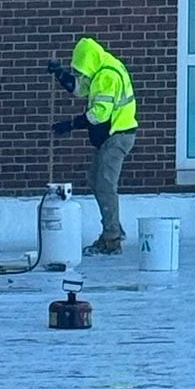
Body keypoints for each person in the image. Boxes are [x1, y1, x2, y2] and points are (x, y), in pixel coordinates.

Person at [47, 37, 138, 256]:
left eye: (81, 68)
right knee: (95, 181)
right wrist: (62, 75)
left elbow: (99, 114)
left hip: (117, 135)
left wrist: (70, 125)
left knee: (105, 185)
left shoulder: (107, 75)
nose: (81, 72)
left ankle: (112, 239)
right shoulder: (101, 68)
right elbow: (80, 89)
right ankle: (113, 227)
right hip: (109, 137)